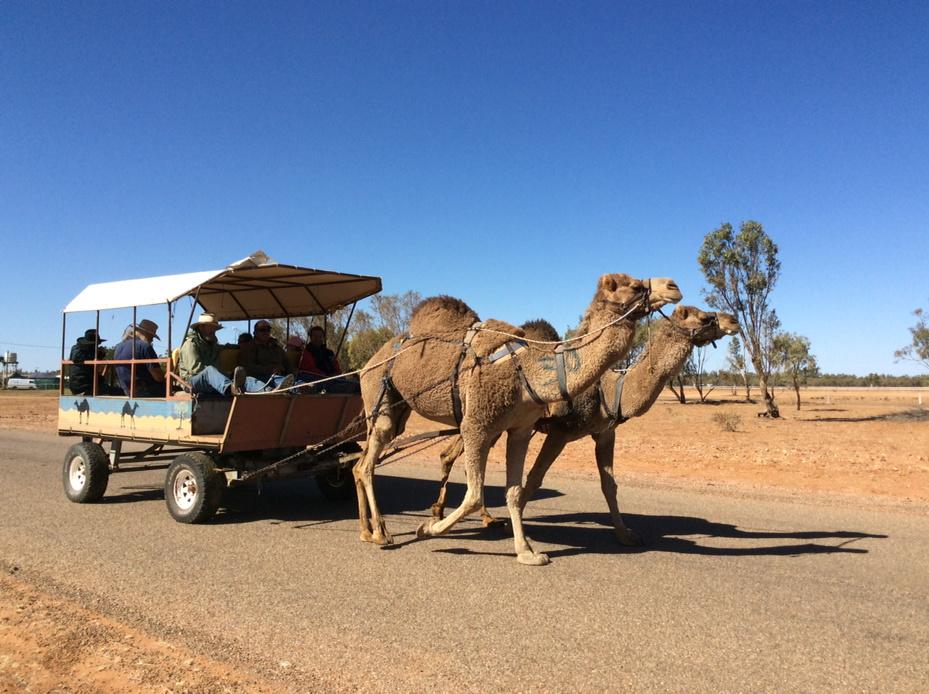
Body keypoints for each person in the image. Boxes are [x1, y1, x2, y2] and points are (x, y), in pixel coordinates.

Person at [178, 313, 292, 396]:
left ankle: (268, 391)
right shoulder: (190, 344)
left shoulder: (212, 344)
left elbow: (225, 347)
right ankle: (231, 389)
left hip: (214, 379)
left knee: (246, 379)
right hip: (191, 382)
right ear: (201, 327)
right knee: (210, 371)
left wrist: (240, 346)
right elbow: (195, 370)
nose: (214, 330)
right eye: (211, 327)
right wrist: (223, 375)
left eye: (215, 328)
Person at [113, 320, 166, 397]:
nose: (152, 340)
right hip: (145, 391)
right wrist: (166, 377)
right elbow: (158, 377)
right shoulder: (145, 346)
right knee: (177, 390)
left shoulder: (118, 347)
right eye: (151, 337)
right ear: (145, 333)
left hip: (126, 390)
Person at [69, 328, 120, 395]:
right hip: (86, 387)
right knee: (120, 392)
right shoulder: (85, 353)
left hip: (78, 386)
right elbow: (77, 358)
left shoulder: (77, 349)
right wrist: (97, 355)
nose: (97, 346)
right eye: (96, 344)